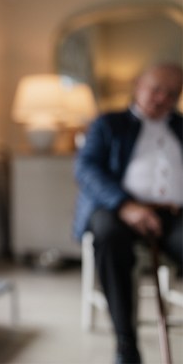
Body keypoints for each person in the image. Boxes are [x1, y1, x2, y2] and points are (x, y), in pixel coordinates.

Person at [74, 63, 183, 364]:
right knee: (109, 237)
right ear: (138, 85)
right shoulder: (109, 123)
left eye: (172, 93)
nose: (162, 98)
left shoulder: (180, 127)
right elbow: (86, 169)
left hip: (174, 215)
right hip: (117, 209)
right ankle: (126, 344)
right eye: (156, 89)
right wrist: (126, 205)